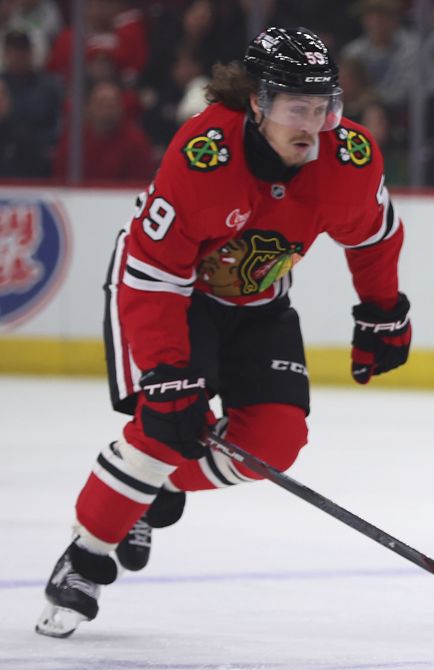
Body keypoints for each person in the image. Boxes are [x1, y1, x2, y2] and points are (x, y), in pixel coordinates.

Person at [34, 27, 412, 639]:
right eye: (296, 108)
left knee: (274, 444)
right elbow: (151, 274)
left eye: (323, 109)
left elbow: (374, 235)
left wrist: (382, 310)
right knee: (161, 431)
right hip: (168, 295)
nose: (313, 126)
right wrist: (165, 371)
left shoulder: (349, 158)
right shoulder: (202, 155)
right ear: (257, 103)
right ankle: (85, 558)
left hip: (259, 304)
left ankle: (142, 491)